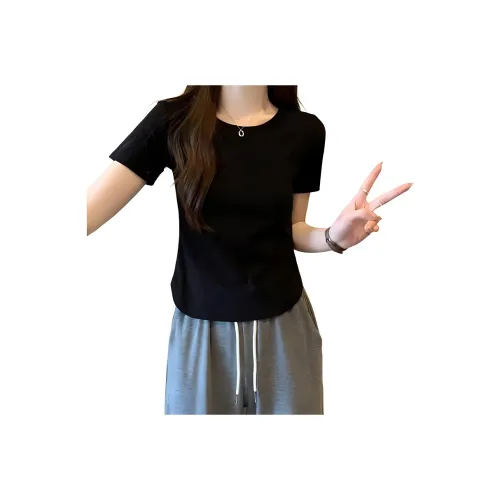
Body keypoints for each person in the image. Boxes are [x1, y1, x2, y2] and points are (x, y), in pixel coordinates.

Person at [87, 85, 412, 415]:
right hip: (202, 333)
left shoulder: (304, 131)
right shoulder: (174, 121)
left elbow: (293, 229)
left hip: (285, 327)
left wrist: (333, 237)